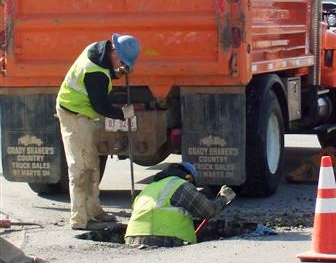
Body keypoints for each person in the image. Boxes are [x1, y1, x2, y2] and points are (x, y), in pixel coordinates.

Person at [56, 34, 141, 230]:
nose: (121, 64)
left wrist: (117, 72)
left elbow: (106, 69)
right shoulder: (95, 73)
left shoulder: (97, 49)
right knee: (80, 167)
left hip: (82, 111)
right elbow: (101, 106)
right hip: (74, 114)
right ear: (114, 51)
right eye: (121, 60)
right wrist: (122, 114)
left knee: (92, 163)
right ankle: (79, 219)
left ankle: (94, 211)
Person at [124, 162, 236, 247]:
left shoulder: (149, 188)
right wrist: (223, 198)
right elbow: (208, 211)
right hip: (161, 238)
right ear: (189, 177)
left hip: (130, 239)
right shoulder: (181, 185)